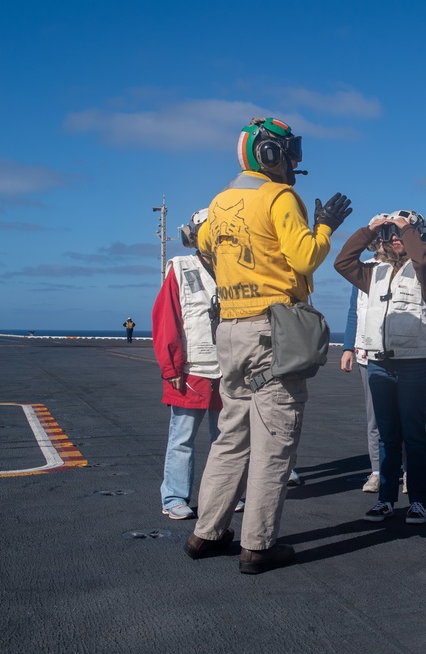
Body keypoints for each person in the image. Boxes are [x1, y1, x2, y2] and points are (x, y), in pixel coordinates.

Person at [184, 117, 351, 574]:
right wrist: (324, 226)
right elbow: (305, 257)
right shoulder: (279, 197)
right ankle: (257, 546)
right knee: (274, 442)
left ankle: (206, 532)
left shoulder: (218, 203)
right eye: (290, 150)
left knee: (231, 436)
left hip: (231, 329)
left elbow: (200, 242)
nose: (296, 160)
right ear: (271, 155)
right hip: (271, 330)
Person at [335, 210, 426, 525]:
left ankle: (420, 500)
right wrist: (369, 230)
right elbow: (342, 263)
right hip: (379, 363)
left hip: (414, 364)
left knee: (414, 433)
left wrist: (405, 227)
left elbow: (422, 260)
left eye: (400, 234)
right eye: (389, 234)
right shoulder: (373, 273)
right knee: (387, 435)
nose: (394, 238)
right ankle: (385, 500)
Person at [152, 209, 226, 520]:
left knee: (226, 438)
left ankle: (224, 494)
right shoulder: (180, 269)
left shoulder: (235, 269)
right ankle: (174, 497)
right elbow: (166, 319)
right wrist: (171, 369)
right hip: (191, 370)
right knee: (182, 438)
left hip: (229, 369)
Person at [340, 268, 382, 493]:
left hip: (398, 353)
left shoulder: (407, 266)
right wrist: (348, 347)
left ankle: (406, 470)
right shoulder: (363, 269)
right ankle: (377, 471)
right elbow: (353, 311)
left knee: (402, 417)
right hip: (366, 353)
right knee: (373, 418)